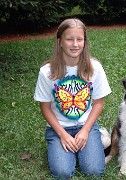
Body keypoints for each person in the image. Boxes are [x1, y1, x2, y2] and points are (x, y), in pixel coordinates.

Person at [34, 18, 111, 179]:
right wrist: (62, 134)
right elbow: (45, 108)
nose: (75, 44)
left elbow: (98, 103)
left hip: (85, 126)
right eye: (69, 39)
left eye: (79, 39)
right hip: (58, 128)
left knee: (94, 171)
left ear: (85, 41)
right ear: (59, 42)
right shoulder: (46, 72)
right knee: (62, 172)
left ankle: (95, 137)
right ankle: (60, 146)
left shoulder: (94, 67)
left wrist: (85, 131)